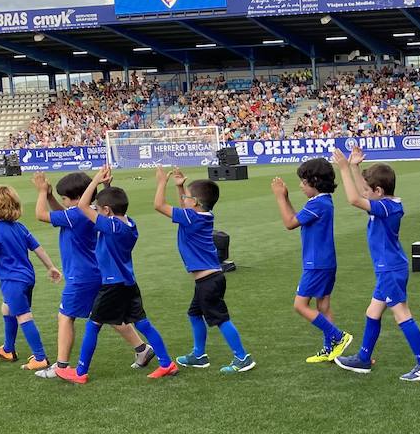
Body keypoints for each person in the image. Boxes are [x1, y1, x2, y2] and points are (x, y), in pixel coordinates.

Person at [54, 166, 178, 384]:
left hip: (111, 285)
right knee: (143, 324)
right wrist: (107, 186)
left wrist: (95, 181)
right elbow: (109, 206)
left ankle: (80, 373)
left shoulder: (110, 226)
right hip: (128, 282)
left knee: (93, 326)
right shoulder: (129, 224)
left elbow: (83, 206)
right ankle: (167, 363)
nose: (97, 211)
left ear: (107, 211)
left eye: (100, 209)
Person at [330, 147, 420, 381]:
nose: (365, 192)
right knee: (373, 312)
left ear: (378, 191)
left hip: (390, 269)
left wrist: (343, 169)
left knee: (401, 313)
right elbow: (364, 192)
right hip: (388, 268)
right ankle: (363, 358)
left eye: (369, 190)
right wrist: (355, 166)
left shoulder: (386, 208)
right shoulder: (387, 203)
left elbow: (354, 198)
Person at [32, 170, 154, 378]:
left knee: (65, 316)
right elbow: (62, 213)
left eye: (64, 198)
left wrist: (42, 192)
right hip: (96, 272)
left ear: (78, 198)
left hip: (80, 276)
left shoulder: (76, 214)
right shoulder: (87, 212)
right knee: (108, 314)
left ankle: (61, 367)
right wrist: (53, 196)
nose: (62, 201)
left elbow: (40, 215)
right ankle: (142, 349)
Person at [153, 166, 255, 374]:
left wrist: (162, 182)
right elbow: (187, 206)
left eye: (187, 197)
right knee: (194, 314)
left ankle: (242, 357)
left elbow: (158, 205)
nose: (183, 200)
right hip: (207, 280)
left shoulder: (191, 218)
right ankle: (198, 355)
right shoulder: (203, 215)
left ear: (196, 203)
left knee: (221, 319)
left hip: (208, 282)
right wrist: (181, 188)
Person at [0, 184, 59, 371]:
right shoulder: (20, 227)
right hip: (27, 278)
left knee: (24, 316)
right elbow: (37, 248)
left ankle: (40, 357)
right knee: (7, 309)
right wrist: (50, 266)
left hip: (12, 281)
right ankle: (8, 349)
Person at [271, 157, 353, 363]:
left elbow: (289, 223)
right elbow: (297, 218)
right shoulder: (322, 202)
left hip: (315, 264)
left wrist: (279, 197)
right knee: (323, 306)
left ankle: (338, 336)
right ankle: (329, 348)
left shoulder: (318, 204)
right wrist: (287, 198)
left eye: (304, 182)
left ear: (315, 181)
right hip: (325, 262)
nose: (301, 186)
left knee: (300, 305)